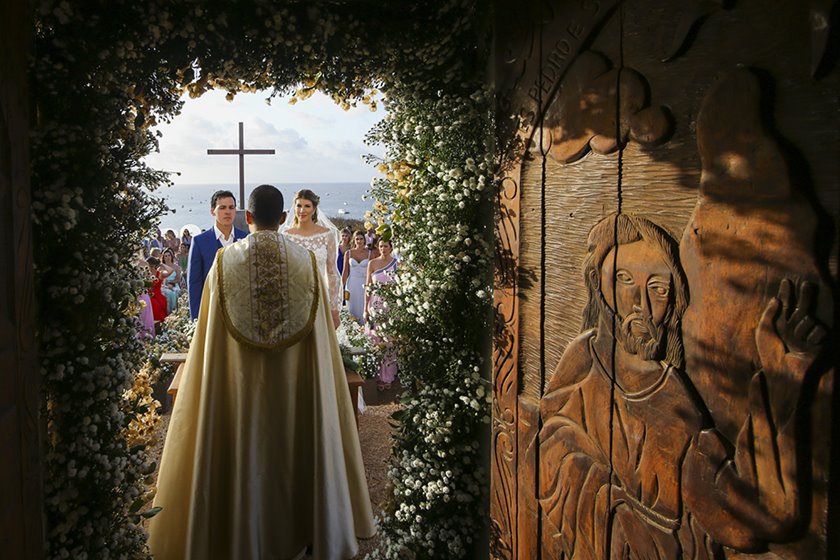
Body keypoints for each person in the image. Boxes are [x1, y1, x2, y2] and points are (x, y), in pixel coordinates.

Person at [538, 213, 825, 559]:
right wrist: (607, 494)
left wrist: (781, 383)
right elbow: (546, 446)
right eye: (624, 280)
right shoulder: (584, 358)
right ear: (598, 286)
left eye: (658, 288)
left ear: (672, 303)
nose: (641, 305)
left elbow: (745, 515)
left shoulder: (672, 395)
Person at [148, 184, 375, 559]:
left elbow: (208, 340)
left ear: (247, 218)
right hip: (296, 396)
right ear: (284, 218)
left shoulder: (224, 264)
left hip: (238, 395)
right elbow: (320, 341)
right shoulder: (305, 262)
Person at [281, 189, 342, 328]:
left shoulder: (328, 235)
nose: (302, 210)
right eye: (299, 205)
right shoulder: (286, 236)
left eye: (307, 206)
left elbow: (332, 273)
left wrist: (334, 309)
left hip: (320, 298)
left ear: (314, 209)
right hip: (293, 300)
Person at [187, 190, 248, 320]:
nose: (227, 212)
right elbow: (194, 283)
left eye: (231, 208)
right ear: (212, 211)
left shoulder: (246, 239)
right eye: (222, 208)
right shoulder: (199, 241)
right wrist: (196, 319)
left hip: (240, 314)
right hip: (211, 313)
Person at [364, 237, 398, 391]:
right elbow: (367, 287)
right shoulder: (372, 263)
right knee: (375, 339)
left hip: (390, 306)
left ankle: (388, 376)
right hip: (375, 305)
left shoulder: (397, 264)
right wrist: (365, 308)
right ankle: (376, 374)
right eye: (381, 246)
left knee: (389, 339)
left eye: (386, 246)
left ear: (391, 247)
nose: (383, 249)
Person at [342, 230, 369, 324]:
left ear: (364, 240)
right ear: (354, 240)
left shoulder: (370, 254)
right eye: (357, 239)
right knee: (351, 307)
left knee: (363, 307)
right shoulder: (348, 253)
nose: (359, 241)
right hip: (351, 284)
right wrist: (341, 287)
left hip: (364, 284)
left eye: (361, 239)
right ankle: (353, 330)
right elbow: (345, 272)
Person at [145, 256, 174, 323]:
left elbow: (171, 270)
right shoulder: (145, 274)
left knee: (156, 303)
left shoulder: (160, 273)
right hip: (147, 295)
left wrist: (161, 264)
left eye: (147, 265)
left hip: (157, 295)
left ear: (151, 265)